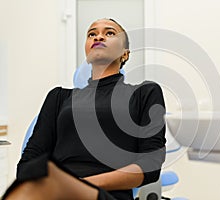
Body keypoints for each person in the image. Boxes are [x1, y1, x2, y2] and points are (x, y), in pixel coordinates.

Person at [3, 18, 166, 200]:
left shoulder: (144, 94)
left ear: (125, 53)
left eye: (110, 33)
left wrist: (79, 184)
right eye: (92, 34)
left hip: (104, 194)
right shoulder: (58, 97)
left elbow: (150, 165)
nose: (99, 37)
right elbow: (28, 163)